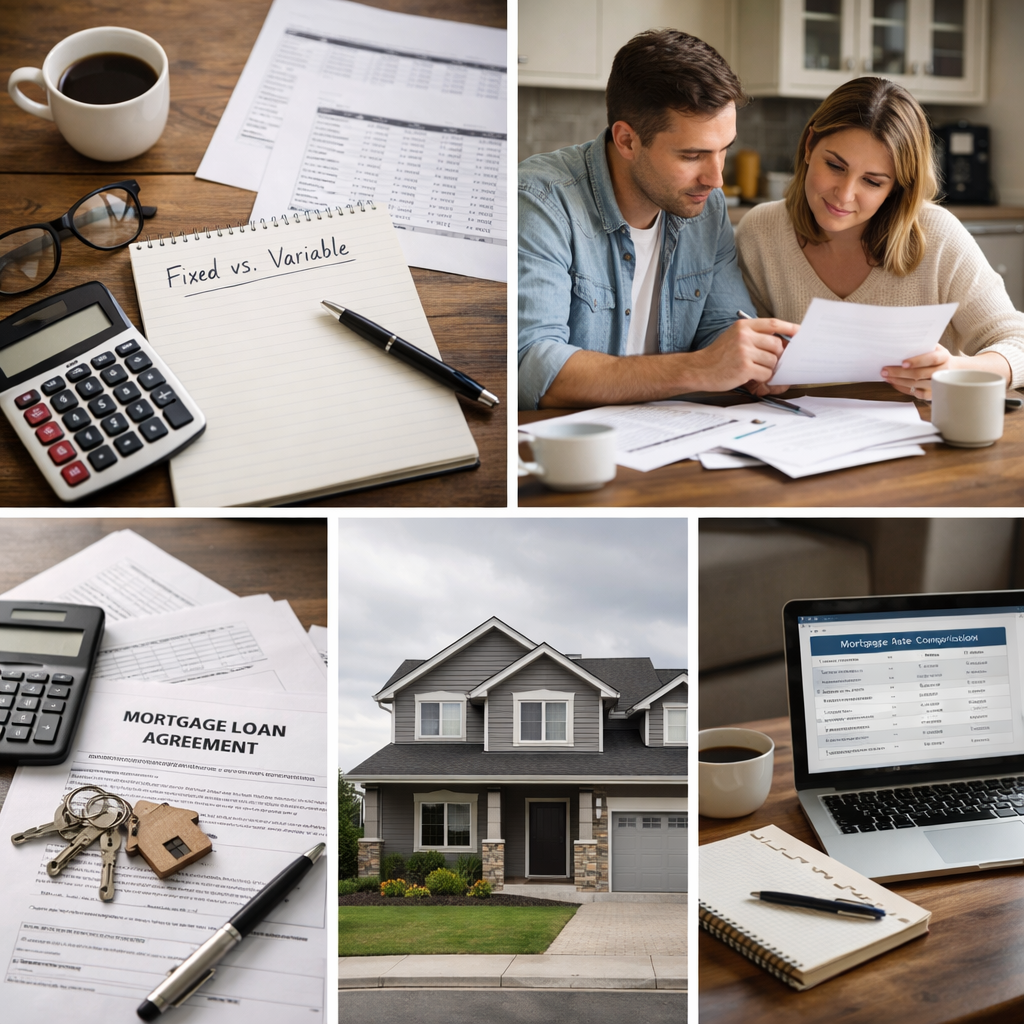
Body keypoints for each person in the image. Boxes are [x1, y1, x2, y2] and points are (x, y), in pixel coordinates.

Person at [517, 29, 799, 410]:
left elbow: (719, 330)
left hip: (671, 439)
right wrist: (699, 369)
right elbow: (531, 367)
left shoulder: (707, 207)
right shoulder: (543, 201)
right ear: (627, 141)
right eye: (691, 155)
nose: (716, 179)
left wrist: (756, 363)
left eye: (724, 150)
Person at [736, 76, 1024, 399]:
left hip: (922, 440)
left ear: (896, 188)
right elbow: (746, 350)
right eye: (834, 165)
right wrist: (759, 372)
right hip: (798, 436)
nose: (844, 195)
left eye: (872, 182)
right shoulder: (761, 231)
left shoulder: (938, 236)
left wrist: (958, 371)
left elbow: (1017, 342)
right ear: (808, 146)